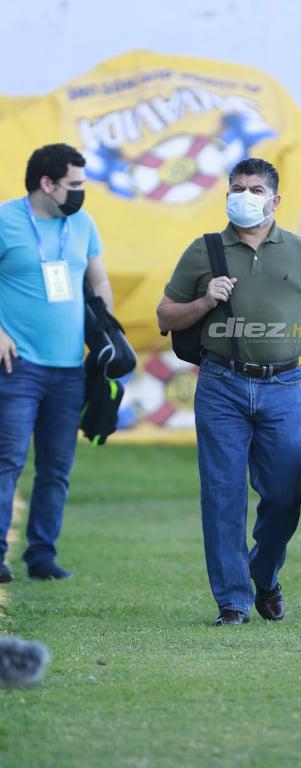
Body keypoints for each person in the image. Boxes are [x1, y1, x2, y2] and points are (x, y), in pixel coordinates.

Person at [157, 157, 301, 626]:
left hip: (283, 386)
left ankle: (263, 574)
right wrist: (205, 300)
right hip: (221, 384)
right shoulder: (203, 251)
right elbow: (165, 315)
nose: (244, 195)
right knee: (223, 494)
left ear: (275, 199)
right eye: (237, 187)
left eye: (256, 190)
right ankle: (233, 601)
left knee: (286, 495)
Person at [0, 143, 113, 581]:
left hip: (70, 369)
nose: (82, 193)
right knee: (7, 461)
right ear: (47, 184)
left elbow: (98, 277)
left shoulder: (82, 223)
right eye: (75, 184)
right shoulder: (6, 219)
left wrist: (107, 332)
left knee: (56, 468)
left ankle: (41, 556)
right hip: (18, 367)